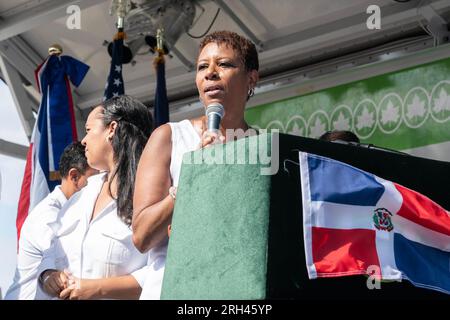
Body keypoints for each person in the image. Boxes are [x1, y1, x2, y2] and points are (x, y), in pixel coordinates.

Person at [132, 30, 259, 299]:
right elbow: (142, 237)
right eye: (202, 67)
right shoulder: (169, 137)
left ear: (251, 78)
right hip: (174, 291)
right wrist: (190, 180)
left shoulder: (263, 148)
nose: (210, 73)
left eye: (223, 64)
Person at [39, 95, 153, 299]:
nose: (83, 140)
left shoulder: (150, 196)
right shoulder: (81, 197)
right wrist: (48, 276)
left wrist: (96, 288)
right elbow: (51, 249)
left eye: (89, 130)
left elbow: (160, 270)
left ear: (112, 129)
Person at [5, 142, 97, 300]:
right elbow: (64, 254)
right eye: (96, 179)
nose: (102, 186)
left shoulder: (72, 212)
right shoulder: (48, 216)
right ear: (74, 176)